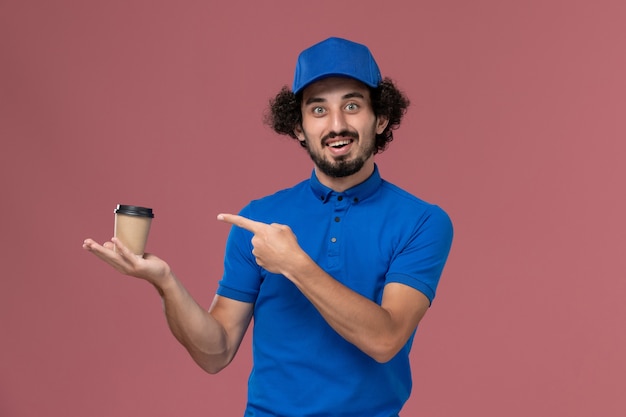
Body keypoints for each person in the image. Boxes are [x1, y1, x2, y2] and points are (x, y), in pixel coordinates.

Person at [83, 37, 453, 417]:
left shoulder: (422, 221)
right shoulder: (259, 219)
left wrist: (293, 263)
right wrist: (164, 283)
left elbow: (386, 338)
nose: (337, 124)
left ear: (382, 118)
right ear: (298, 126)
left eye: (353, 106)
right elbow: (217, 351)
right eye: (318, 110)